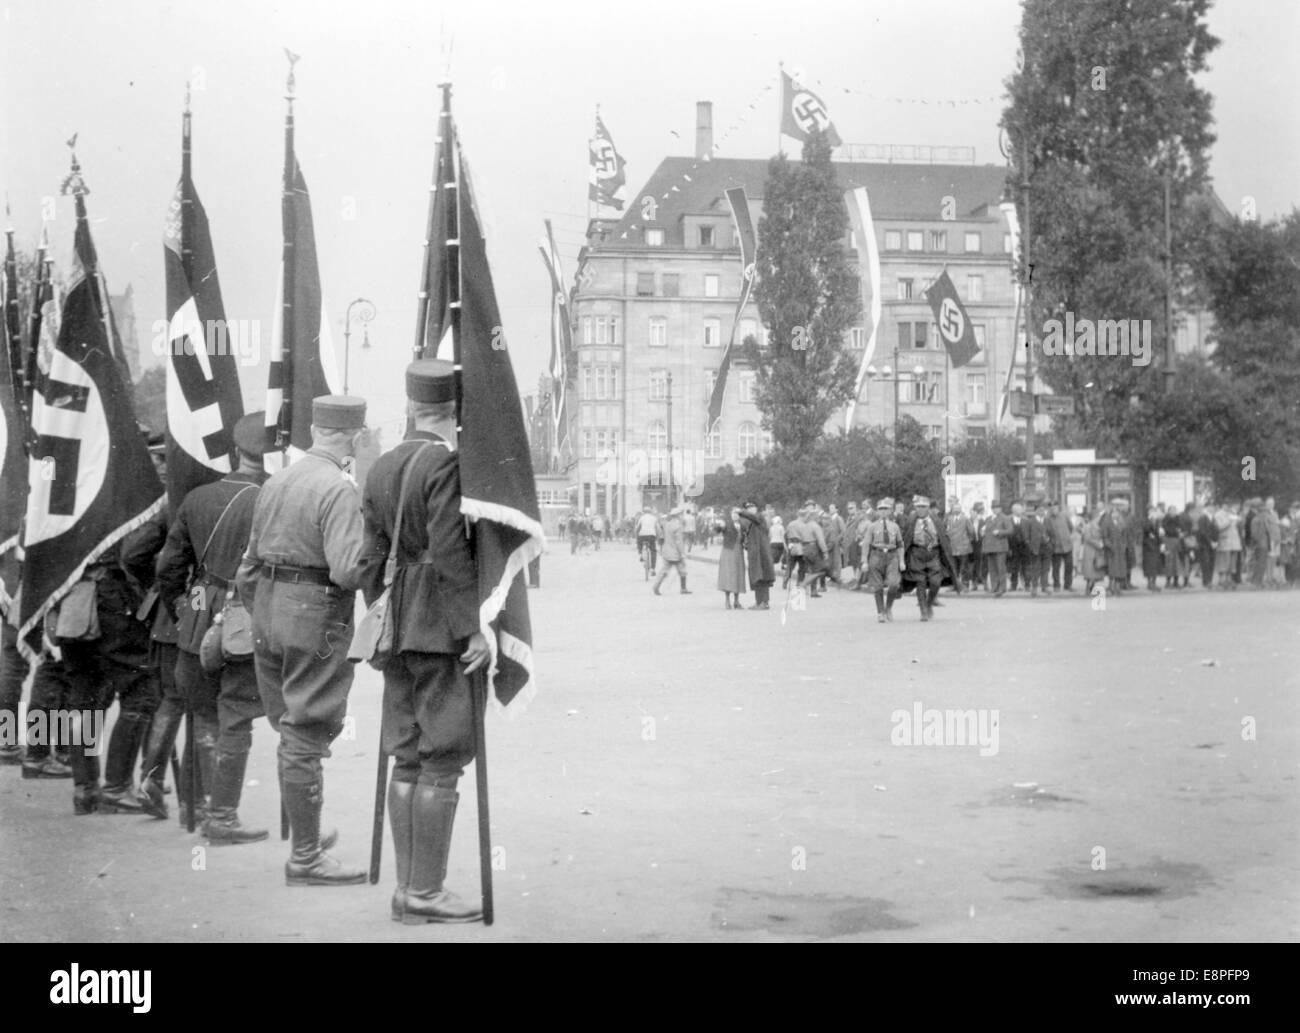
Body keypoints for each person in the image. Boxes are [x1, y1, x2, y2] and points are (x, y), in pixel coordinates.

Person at [360, 361, 485, 923]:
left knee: (406, 755)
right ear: (453, 412)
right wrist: (472, 628)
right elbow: (451, 553)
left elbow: (369, 558)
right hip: (439, 624)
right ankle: (425, 893)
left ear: (412, 407)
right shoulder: (447, 462)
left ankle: (408, 889)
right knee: (444, 754)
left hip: (397, 624)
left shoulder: (382, 466)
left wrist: (382, 613)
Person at [237, 395, 371, 886]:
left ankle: (306, 836)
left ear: (316, 430)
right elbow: (347, 569)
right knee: (306, 732)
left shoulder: (276, 480)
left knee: (291, 729)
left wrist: (266, 610)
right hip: (314, 614)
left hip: (268, 609)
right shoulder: (338, 488)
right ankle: (306, 857)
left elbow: (248, 565)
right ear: (353, 437)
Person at [151, 413, 270, 843]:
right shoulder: (273, 495)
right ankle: (221, 816)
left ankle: (200, 807)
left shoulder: (197, 497)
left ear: (237, 451)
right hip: (246, 613)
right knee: (236, 714)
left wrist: (184, 609)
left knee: (203, 713)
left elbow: (168, 567)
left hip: (200, 607)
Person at [900, 496, 953, 620]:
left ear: (929, 508)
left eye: (924, 506)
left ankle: (929, 603)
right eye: (918, 506)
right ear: (915, 507)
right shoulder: (911, 520)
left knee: (936, 582)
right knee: (920, 582)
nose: (921, 509)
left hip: (933, 553)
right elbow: (905, 537)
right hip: (917, 553)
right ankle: (923, 611)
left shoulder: (936, 520)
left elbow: (943, 536)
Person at [860, 497, 903, 622]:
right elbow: (866, 544)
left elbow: (900, 544)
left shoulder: (895, 526)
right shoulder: (872, 527)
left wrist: (901, 561)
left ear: (890, 511)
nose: (883, 512)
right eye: (881, 509)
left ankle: (888, 608)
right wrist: (864, 561)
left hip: (892, 556)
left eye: (886, 509)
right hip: (876, 555)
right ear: (877, 511)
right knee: (877, 586)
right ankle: (880, 612)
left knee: (894, 584)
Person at [738, 501, 775, 610]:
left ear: (756, 508)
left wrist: (741, 511)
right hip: (754, 554)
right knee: (757, 578)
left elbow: (753, 517)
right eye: (748, 508)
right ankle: (759, 602)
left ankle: (764, 602)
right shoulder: (749, 522)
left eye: (752, 507)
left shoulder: (760, 517)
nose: (750, 509)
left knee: (763, 578)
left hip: (762, 554)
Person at [652, 506, 692, 596]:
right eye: (681, 515)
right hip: (675, 553)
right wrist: (682, 553)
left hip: (667, 551)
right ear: (678, 516)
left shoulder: (667, 524)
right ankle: (683, 588)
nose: (682, 516)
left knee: (664, 571)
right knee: (682, 570)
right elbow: (679, 541)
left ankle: (656, 586)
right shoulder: (678, 526)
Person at [715, 506, 748, 610]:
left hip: (739, 552)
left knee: (738, 574)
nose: (735, 515)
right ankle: (727, 601)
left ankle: (736, 601)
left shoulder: (742, 525)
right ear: (730, 514)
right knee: (728, 575)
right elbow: (717, 530)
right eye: (733, 513)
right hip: (728, 551)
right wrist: (719, 526)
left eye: (737, 514)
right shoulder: (727, 524)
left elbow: (746, 537)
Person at [981, 500, 1011, 597]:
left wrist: (1000, 532)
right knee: (992, 569)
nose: (995, 509)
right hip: (990, 547)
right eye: (993, 508)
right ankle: (994, 587)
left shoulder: (1005, 518)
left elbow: (1010, 530)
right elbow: (985, 530)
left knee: (1001, 568)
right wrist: (982, 532)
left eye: (997, 507)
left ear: (1001, 509)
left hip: (1000, 547)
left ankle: (1002, 588)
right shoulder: (988, 519)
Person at [944, 497, 973, 593]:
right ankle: (955, 585)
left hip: (964, 547)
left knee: (964, 567)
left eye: (958, 509)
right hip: (953, 547)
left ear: (961, 510)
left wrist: (967, 541)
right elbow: (944, 530)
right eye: (954, 509)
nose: (956, 510)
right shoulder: (949, 519)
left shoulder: (965, 519)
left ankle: (965, 585)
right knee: (953, 567)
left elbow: (971, 532)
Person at [1078, 505, 1108, 594]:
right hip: (1090, 551)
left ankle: (1090, 587)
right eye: (1098, 516)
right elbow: (1087, 538)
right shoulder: (1088, 526)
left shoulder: (1097, 526)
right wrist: (1098, 544)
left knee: (1095, 571)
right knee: (1090, 571)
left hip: (1095, 552)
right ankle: (1088, 588)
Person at [1047, 501, 1074, 591]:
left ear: (1058, 508)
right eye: (1052, 508)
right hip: (1056, 547)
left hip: (1067, 545)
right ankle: (1056, 585)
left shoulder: (1064, 516)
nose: (1054, 509)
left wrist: (1066, 537)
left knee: (1069, 566)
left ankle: (1068, 584)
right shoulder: (1048, 518)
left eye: (1055, 508)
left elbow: (1070, 527)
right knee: (1056, 567)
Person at [1213, 502, 1241, 590]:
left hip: (1234, 541)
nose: (1228, 507)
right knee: (1224, 561)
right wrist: (1229, 521)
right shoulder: (1218, 515)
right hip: (1225, 541)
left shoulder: (1232, 514)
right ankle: (1222, 580)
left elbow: (1236, 527)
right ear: (1223, 505)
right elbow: (1220, 527)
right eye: (1227, 505)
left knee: (1232, 562)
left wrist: (1239, 520)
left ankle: (1229, 579)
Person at [1141, 505, 1165, 592]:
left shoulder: (1157, 521)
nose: (1153, 513)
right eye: (1151, 511)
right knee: (1149, 566)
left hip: (1156, 546)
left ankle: (1154, 582)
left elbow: (1160, 533)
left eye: (1154, 511)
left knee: (1155, 565)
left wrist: (1162, 543)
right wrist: (1150, 521)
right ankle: (1149, 583)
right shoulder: (1146, 520)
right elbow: (1146, 530)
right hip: (1148, 546)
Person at [635, 507, 661, 572]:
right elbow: (658, 529)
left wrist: (636, 536)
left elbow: (637, 528)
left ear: (644, 512)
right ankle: (653, 568)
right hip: (652, 535)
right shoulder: (654, 518)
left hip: (642, 535)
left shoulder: (642, 518)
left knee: (639, 542)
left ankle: (641, 553)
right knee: (653, 551)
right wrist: (658, 538)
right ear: (650, 512)